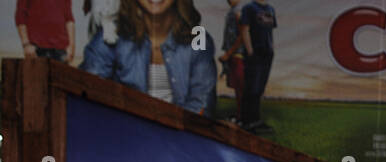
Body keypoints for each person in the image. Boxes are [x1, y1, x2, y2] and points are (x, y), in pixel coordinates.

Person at [81, 0, 216, 115]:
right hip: (124, 136)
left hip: (180, 141)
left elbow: (201, 105)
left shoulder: (198, 39)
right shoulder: (110, 36)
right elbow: (89, 95)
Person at [237, 0, 274, 132]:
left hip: (267, 53)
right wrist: (250, 51)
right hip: (255, 52)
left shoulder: (270, 9)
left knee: (259, 88)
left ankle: (256, 121)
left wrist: (271, 50)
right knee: (251, 88)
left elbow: (270, 32)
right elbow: (245, 30)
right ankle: (246, 121)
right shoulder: (249, 8)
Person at [218, 0, 244, 124]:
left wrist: (228, 54)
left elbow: (242, 35)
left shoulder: (238, 11)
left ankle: (242, 118)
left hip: (238, 55)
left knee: (240, 88)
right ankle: (240, 116)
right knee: (237, 88)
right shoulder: (233, 11)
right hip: (234, 54)